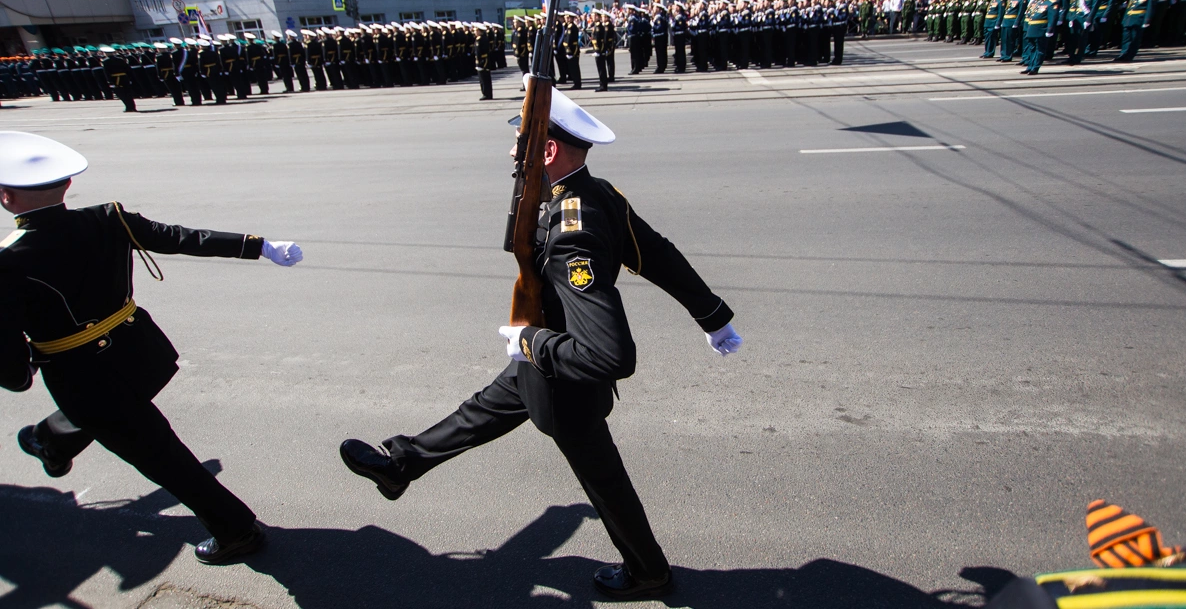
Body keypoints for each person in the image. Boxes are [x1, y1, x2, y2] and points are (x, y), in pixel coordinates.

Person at [339, 86, 743, 601]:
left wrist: (531, 340)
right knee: (483, 408)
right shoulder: (596, 194)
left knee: (604, 482)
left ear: (546, 151)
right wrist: (710, 315)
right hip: (543, 364)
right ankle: (402, 463)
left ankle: (649, 572)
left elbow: (611, 356)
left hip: (566, 380)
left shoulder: (574, 227)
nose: (512, 151)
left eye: (520, 141)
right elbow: (656, 253)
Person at [0, 132, 304, 564]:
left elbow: (9, 357)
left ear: (6, 197)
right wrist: (260, 247)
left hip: (84, 378)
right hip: (140, 355)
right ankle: (53, 440)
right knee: (120, 420)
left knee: (162, 457)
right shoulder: (109, 217)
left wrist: (19, 373)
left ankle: (237, 532)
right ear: (67, 185)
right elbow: (181, 237)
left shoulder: (8, 259)